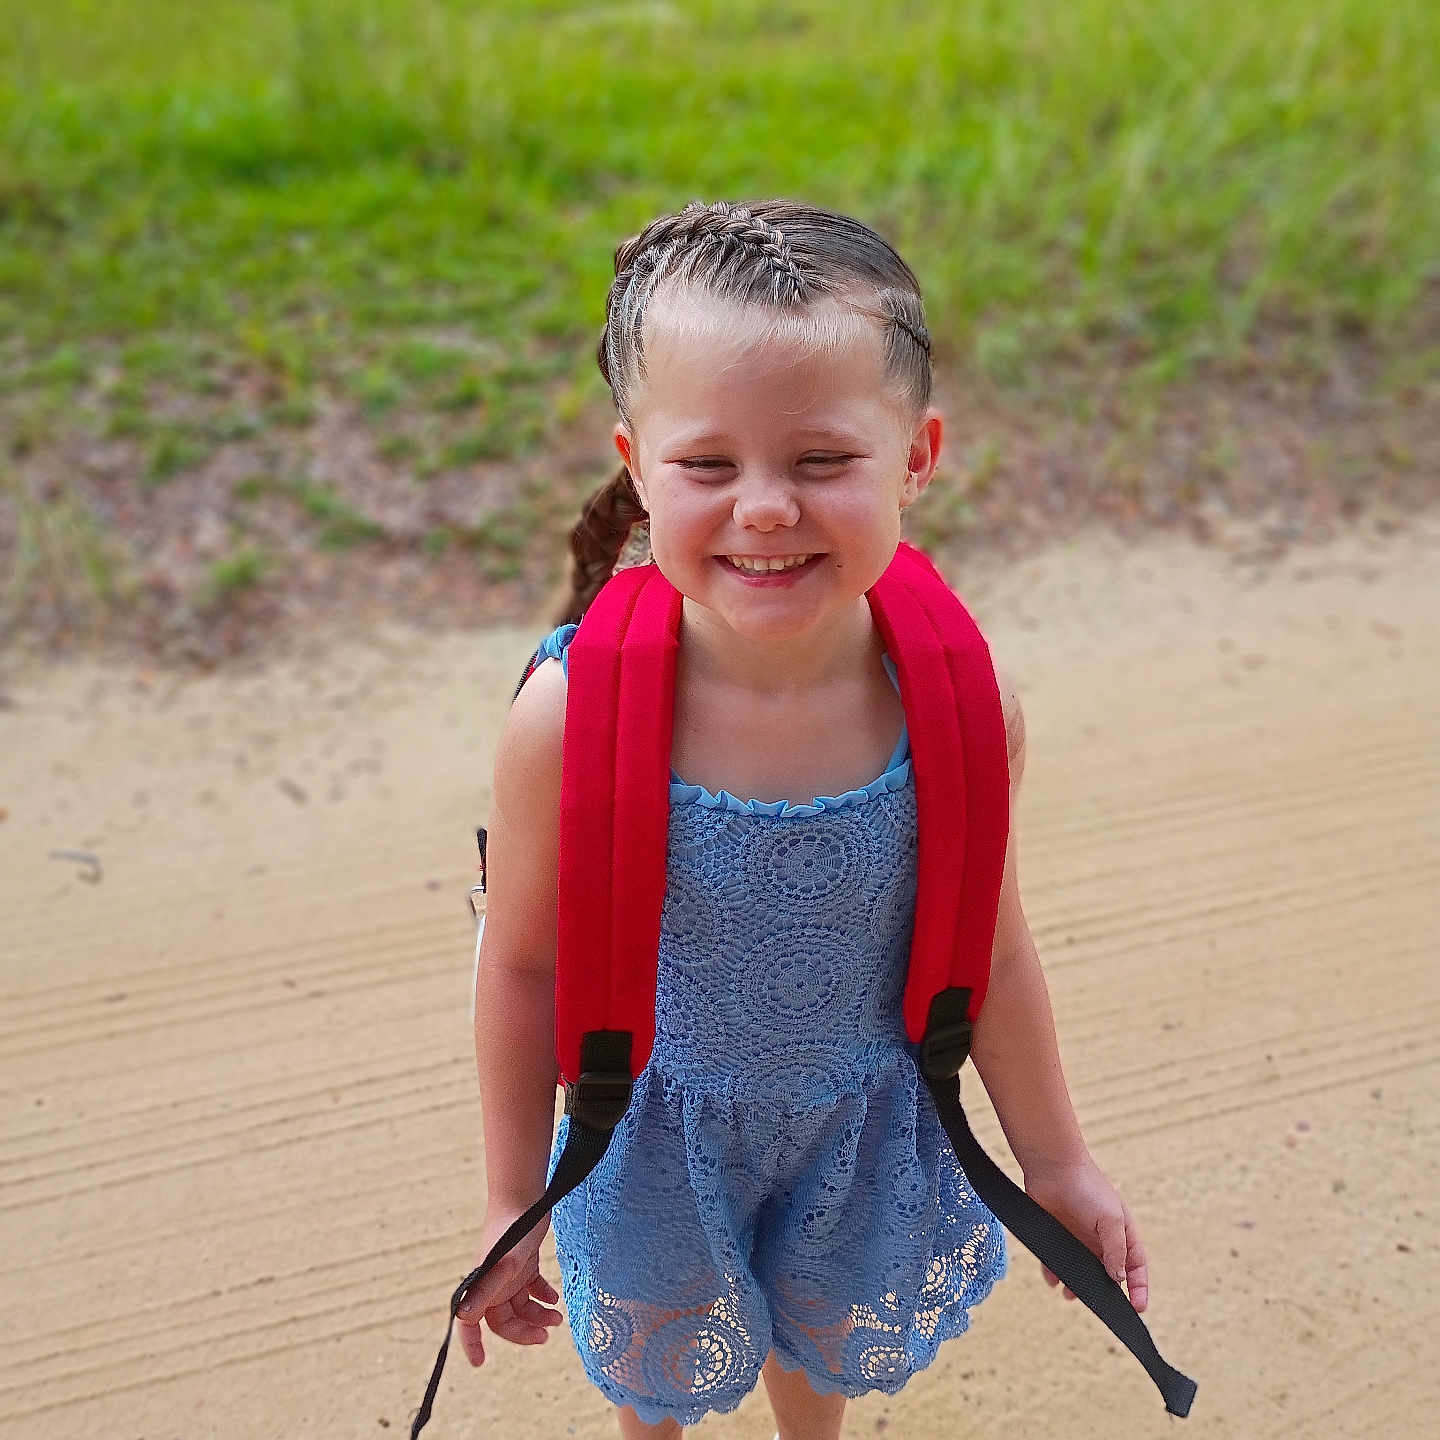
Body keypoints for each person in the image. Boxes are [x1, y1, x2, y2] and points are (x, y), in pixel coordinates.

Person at [456, 200, 1149, 1440]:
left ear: (917, 456)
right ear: (634, 463)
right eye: (707, 465)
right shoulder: (568, 723)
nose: (765, 507)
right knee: (656, 1380)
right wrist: (516, 1202)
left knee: (815, 1354)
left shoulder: (958, 704)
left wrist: (1060, 1162)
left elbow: (988, 945)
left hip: (861, 1130)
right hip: (650, 1134)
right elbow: (520, 965)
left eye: (822, 460)